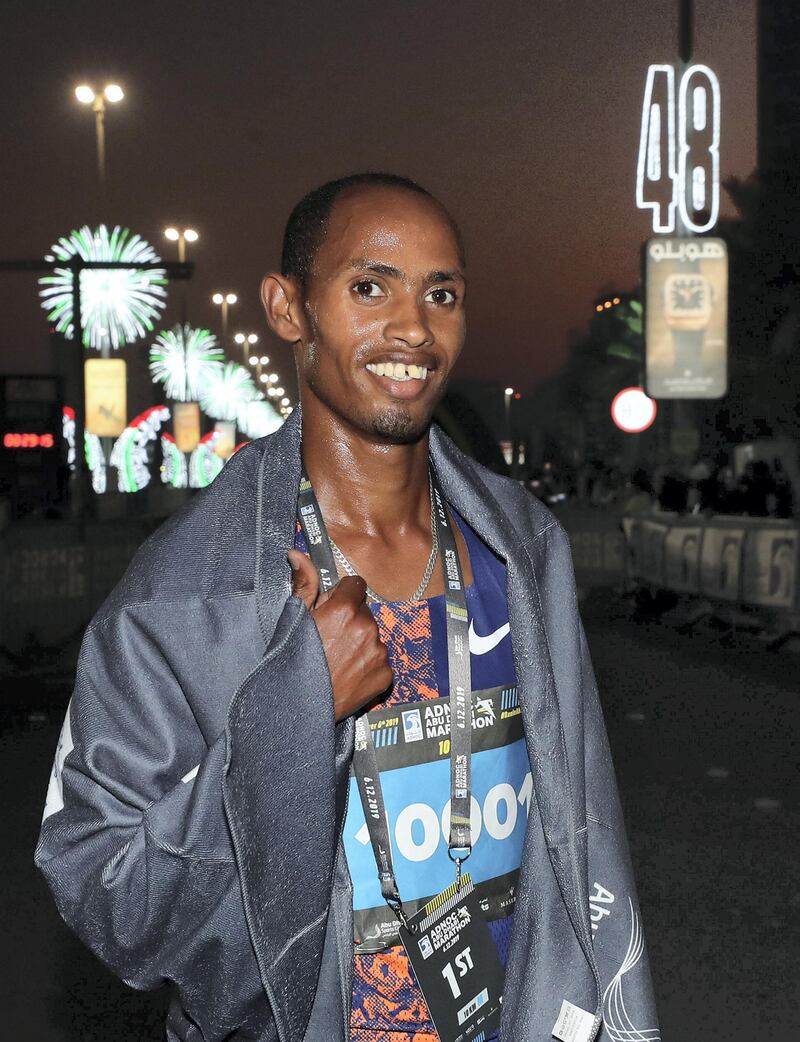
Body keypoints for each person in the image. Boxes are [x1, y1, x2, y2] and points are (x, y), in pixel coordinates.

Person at [35, 173, 659, 1042]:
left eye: (441, 294)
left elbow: (582, 834)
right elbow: (108, 893)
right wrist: (293, 713)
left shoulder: (521, 550)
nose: (413, 328)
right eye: (370, 287)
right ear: (288, 308)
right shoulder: (186, 594)